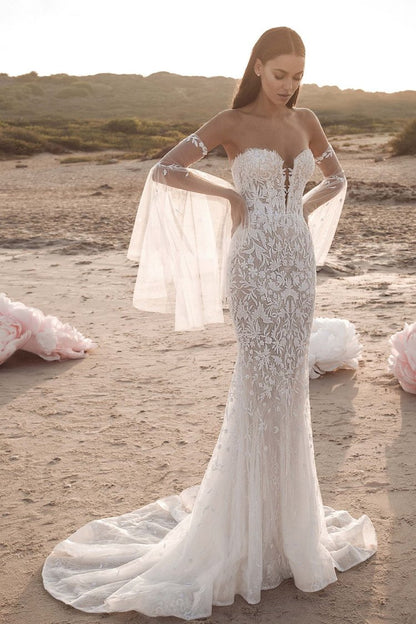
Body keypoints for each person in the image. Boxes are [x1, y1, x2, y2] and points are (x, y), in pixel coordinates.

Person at [42, 26, 377, 620]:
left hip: (295, 264)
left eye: (298, 75)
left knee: (288, 391)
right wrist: (228, 194)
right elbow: (167, 170)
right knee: (257, 384)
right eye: (281, 74)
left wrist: (297, 210)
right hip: (250, 265)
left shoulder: (308, 122)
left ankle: (284, 525)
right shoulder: (228, 122)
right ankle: (240, 528)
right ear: (256, 67)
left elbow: (337, 178)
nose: (290, 85)